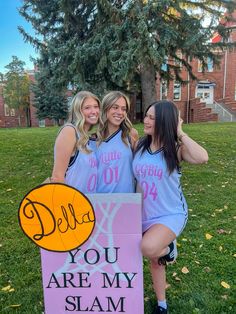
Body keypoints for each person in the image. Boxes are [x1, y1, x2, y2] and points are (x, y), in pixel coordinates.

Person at [132, 100, 208, 314]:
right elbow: (138, 180)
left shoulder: (176, 148)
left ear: (164, 121)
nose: (145, 120)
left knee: (148, 248)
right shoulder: (140, 146)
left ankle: (171, 249)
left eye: (152, 118)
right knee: (156, 260)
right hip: (145, 213)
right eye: (146, 115)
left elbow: (203, 158)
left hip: (171, 213)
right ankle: (162, 305)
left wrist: (180, 131)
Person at [51, 91, 102, 193]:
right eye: (87, 108)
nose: (94, 111)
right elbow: (57, 176)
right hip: (73, 204)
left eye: (96, 107)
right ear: (78, 111)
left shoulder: (86, 137)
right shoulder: (69, 131)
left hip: (89, 203)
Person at [96, 91, 139, 193]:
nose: (120, 112)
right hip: (100, 201)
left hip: (126, 200)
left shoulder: (130, 134)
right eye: (115, 107)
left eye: (123, 109)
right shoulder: (94, 139)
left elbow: (139, 169)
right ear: (106, 108)